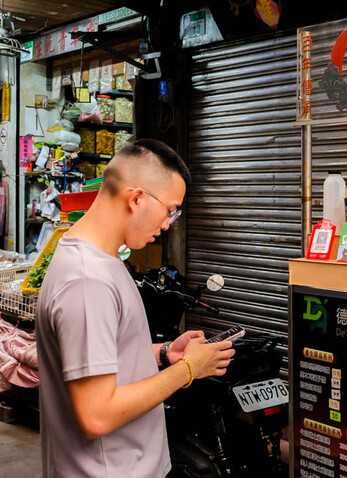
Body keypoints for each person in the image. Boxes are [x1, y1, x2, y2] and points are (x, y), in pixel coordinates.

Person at [36, 139, 236, 478]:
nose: (169, 223)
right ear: (137, 198)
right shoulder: (89, 281)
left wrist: (162, 354)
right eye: (171, 210)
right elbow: (96, 415)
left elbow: (96, 356)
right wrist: (187, 368)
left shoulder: (101, 259)